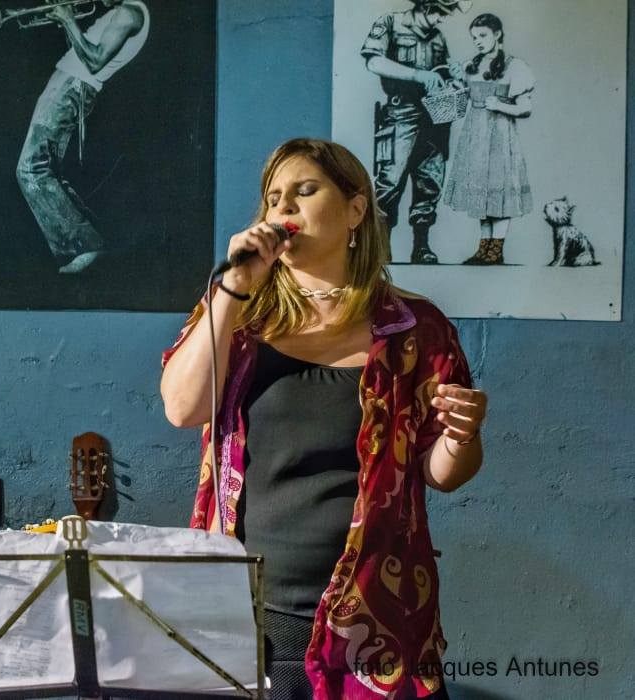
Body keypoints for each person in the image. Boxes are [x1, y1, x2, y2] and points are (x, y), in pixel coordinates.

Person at [160, 139, 488, 699]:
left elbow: (442, 473)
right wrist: (233, 287)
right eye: (272, 198)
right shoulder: (241, 317)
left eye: (304, 190)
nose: (283, 206)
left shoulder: (415, 328)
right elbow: (182, 408)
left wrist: (462, 435)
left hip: (373, 615)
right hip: (247, 609)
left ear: (355, 210)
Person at [16, 0, 148, 274]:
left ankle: (85, 246)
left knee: (31, 169)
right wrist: (66, 24)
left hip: (71, 88)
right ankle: (89, 245)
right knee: (48, 171)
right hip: (69, 85)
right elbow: (81, 55)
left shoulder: (130, 13)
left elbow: (95, 61)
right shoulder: (122, 12)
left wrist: (68, 19)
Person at [361, 0, 472, 264]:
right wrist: (416, 75)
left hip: (435, 116)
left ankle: (421, 246)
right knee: (390, 182)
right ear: (426, 6)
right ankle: (381, 246)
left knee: (429, 182)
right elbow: (374, 62)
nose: (441, 20)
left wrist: (455, 75)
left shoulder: (438, 37)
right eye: (440, 13)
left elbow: (442, 74)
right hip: (401, 114)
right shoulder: (390, 23)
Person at [442, 13, 534, 265]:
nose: (478, 41)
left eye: (483, 36)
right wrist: (455, 80)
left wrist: (500, 106)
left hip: (501, 137)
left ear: (498, 34)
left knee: (499, 190)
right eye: (474, 38)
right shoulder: (472, 66)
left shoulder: (515, 67)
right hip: (475, 137)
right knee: (481, 193)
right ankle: (483, 249)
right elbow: (461, 98)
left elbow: (525, 108)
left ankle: (496, 250)